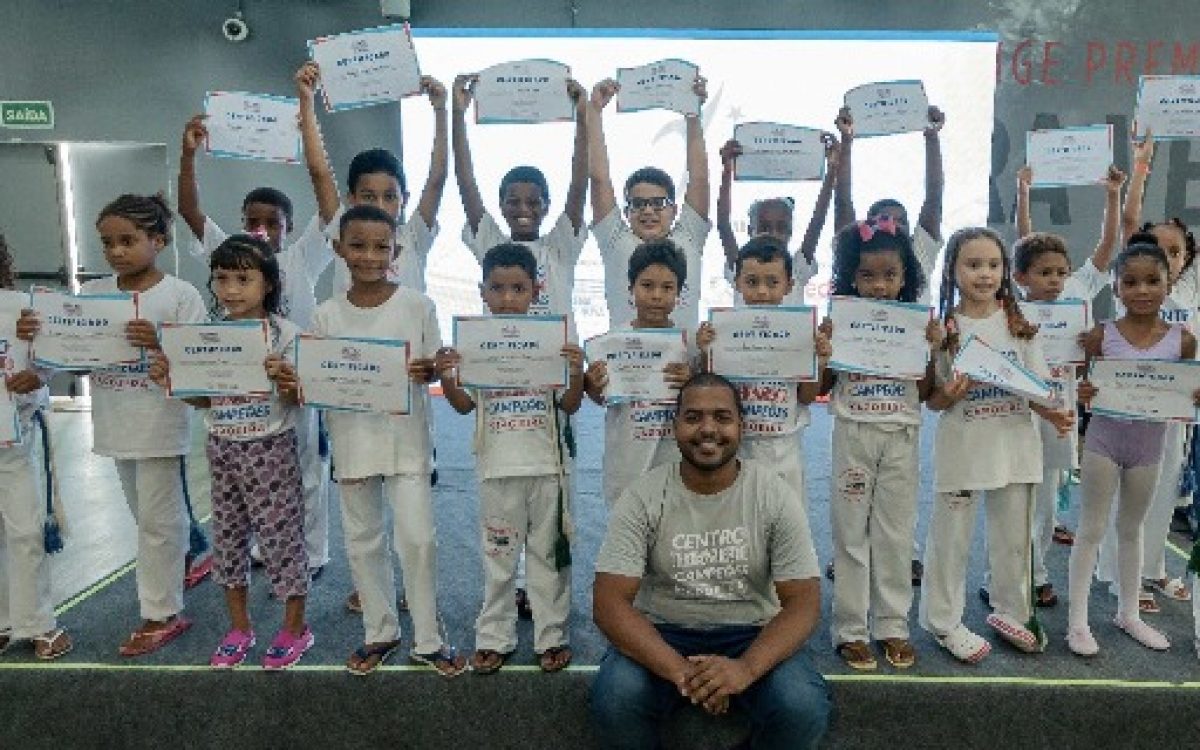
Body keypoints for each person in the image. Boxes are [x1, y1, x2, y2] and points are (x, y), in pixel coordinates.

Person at [590, 372, 831, 750]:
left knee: (801, 706)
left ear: (741, 426)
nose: (707, 429)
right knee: (616, 699)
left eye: (721, 417)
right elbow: (608, 603)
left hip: (751, 630)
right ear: (674, 427)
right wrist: (684, 673)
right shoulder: (643, 497)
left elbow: (804, 600)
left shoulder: (773, 495)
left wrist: (745, 669)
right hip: (663, 630)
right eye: (693, 417)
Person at [176, 61, 343, 580]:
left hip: (296, 379)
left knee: (306, 469)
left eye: (273, 222)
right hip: (240, 387)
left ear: (291, 227)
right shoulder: (231, 254)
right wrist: (187, 155)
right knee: (245, 472)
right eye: (253, 221)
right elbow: (190, 212)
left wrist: (305, 109)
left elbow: (328, 196)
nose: (261, 229)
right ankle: (258, 550)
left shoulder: (303, 258)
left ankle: (311, 554)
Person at [19, 195, 207, 656]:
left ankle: (162, 612)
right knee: (146, 517)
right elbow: (74, 357)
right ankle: (181, 563)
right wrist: (37, 336)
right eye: (108, 243)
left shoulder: (180, 295)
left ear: (158, 240)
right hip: (114, 421)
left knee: (158, 522)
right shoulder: (94, 293)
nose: (117, 251)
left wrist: (161, 342)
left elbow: (203, 360)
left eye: (128, 240)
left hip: (162, 424)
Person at [284, 205, 465, 676]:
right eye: (358, 245)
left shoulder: (418, 305)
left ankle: (429, 638)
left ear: (396, 251)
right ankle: (379, 631)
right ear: (338, 248)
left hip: (407, 442)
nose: (368, 256)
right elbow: (316, 380)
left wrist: (429, 369)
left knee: (418, 540)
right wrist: (296, 379)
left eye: (380, 247)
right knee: (363, 541)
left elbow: (431, 366)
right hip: (352, 441)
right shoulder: (324, 316)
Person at [149, 235, 312, 669]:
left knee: (282, 542)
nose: (231, 289)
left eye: (244, 278)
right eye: (222, 278)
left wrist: (286, 380)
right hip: (222, 447)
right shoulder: (206, 335)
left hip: (270, 449)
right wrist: (173, 379)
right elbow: (204, 401)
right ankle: (239, 628)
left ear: (269, 284)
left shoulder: (287, 335)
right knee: (228, 542)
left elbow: (301, 401)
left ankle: (296, 628)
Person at [919, 227, 1074, 663]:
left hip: (1014, 448)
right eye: (973, 265)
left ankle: (1013, 611)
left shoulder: (1019, 323)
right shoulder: (942, 328)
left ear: (1006, 271)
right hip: (963, 448)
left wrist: (1056, 413)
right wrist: (950, 393)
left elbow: (1037, 390)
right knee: (951, 540)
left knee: (1013, 538)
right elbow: (932, 400)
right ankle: (944, 621)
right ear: (952, 269)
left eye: (993, 265)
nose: (984, 275)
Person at [435, 243, 584, 674]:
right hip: (497, 467)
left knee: (548, 557)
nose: (507, 298)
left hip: (548, 468)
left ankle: (552, 634)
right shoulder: (477, 344)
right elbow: (464, 405)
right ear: (483, 291)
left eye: (518, 288)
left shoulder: (552, 342)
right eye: (497, 288)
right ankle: (494, 635)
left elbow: (571, 405)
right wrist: (448, 375)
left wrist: (574, 372)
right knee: (499, 556)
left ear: (535, 290)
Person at [830, 104, 947, 585]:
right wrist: (848, 146)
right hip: (858, 398)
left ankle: (902, 555)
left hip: (902, 393)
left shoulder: (917, 254)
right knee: (852, 494)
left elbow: (934, 196)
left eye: (897, 221)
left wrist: (931, 138)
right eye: (879, 220)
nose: (888, 226)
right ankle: (851, 556)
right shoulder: (857, 274)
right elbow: (844, 209)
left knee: (898, 495)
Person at [1067, 242, 1199, 656]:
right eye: (1131, 282)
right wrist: (1084, 391)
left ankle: (1129, 614)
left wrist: (1192, 396)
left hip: (1148, 447)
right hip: (1104, 441)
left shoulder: (1183, 341)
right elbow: (1083, 384)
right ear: (1116, 286)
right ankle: (1076, 623)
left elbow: (1185, 390)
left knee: (1131, 528)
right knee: (1090, 529)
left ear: (1168, 282)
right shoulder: (1100, 335)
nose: (1142, 290)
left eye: (1152, 281)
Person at [818, 218, 937, 670]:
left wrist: (931, 351)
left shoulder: (916, 324)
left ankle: (892, 626)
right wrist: (825, 350)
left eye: (890, 275)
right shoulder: (840, 317)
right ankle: (849, 628)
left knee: (895, 533)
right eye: (868, 275)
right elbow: (824, 384)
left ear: (906, 277)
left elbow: (925, 392)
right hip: (853, 431)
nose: (879, 285)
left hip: (901, 436)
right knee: (850, 532)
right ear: (851, 275)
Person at [1005, 163, 1124, 610]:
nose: (1054, 279)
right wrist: (1022, 190)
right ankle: (1004, 576)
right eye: (1043, 272)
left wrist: (1113, 193)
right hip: (1019, 414)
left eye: (1059, 271)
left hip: (1062, 411)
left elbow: (1107, 245)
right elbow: (1023, 239)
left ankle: (1037, 575)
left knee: (1048, 505)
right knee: (1015, 498)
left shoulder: (1078, 290)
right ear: (1021, 277)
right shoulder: (1015, 307)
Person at [1095, 130, 1198, 613]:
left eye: (1176, 252)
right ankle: (1119, 577)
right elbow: (1133, 220)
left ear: (1187, 260)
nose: (1167, 257)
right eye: (1157, 248)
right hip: (1124, 410)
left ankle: (1151, 569)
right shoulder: (1141, 289)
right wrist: (1142, 164)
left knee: (1161, 493)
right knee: (1123, 497)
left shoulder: (1191, 296)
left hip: (1172, 412)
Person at [452, 73, 588, 337]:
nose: (524, 209)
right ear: (501, 206)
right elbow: (466, 182)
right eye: (514, 202)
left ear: (547, 206)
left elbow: (579, 184)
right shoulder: (492, 245)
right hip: (500, 361)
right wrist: (458, 114)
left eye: (534, 202)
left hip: (555, 364)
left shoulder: (560, 246)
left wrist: (583, 118)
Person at [697, 237, 830, 507]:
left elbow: (805, 397)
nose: (761, 292)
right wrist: (704, 352)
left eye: (772, 283)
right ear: (737, 282)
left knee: (787, 523)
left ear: (789, 285)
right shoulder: (722, 331)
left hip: (783, 446)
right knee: (740, 521)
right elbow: (709, 391)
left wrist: (820, 361)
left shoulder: (800, 333)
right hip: (737, 446)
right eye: (752, 282)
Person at [587, 75, 711, 330]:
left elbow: (699, 180)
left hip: (684, 368)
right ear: (626, 211)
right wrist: (594, 111)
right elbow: (599, 179)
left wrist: (693, 115)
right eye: (638, 204)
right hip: (625, 366)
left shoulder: (688, 236)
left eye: (658, 203)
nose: (648, 211)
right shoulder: (615, 241)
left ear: (675, 209)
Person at [0, 234, 71, 660]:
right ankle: (5, 620)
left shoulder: (19, 308)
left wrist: (39, 372)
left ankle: (39, 622)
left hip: (13, 437)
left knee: (25, 528)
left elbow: (57, 355)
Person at [584, 241, 694, 507]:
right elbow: (602, 398)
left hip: (674, 459)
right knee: (627, 538)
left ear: (679, 292)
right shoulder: (610, 344)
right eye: (647, 286)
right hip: (627, 462)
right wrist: (593, 384)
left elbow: (701, 399)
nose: (656, 295)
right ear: (630, 289)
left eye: (667, 287)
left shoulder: (689, 346)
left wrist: (691, 381)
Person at [716, 134, 839, 305]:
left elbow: (817, 221)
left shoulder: (797, 267)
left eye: (782, 228)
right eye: (764, 227)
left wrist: (832, 169)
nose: (773, 234)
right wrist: (727, 169)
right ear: (750, 230)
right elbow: (723, 224)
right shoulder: (741, 264)